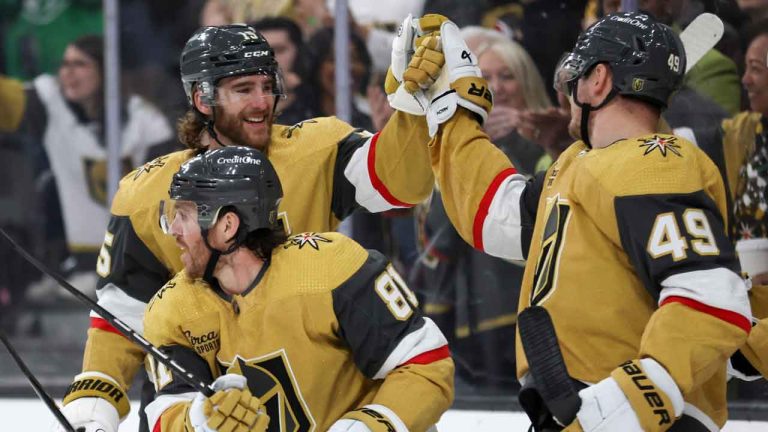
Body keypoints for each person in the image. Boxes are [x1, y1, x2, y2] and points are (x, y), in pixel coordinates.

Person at [57, 21, 441, 432]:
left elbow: (402, 185)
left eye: (267, 85)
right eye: (243, 89)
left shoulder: (315, 150)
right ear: (202, 97)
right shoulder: (146, 195)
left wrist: (413, 111)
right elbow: (120, 317)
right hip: (210, 397)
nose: (262, 102)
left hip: (325, 377)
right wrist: (95, 404)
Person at [415, 12, 751, 430]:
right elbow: (498, 215)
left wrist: (629, 400)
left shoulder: (653, 163)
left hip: (637, 417)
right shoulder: (579, 164)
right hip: (579, 406)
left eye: (575, 75)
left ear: (600, 80)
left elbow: (710, 296)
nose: (568, 92)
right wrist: (452, 114)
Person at [142, 146, 453, 432]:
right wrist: (198, 419)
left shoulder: (330, 267)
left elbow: (425, 365)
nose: (174, 231)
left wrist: (369, 426)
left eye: (182, 215)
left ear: (227, 226)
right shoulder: (174, 310)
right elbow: (164, 415)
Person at [0, 34, 174, 294]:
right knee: (45, 183)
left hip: (136, 262)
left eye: (80, 64)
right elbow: (8, 101)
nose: (68, 73)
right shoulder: (51, 104)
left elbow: (162, 199)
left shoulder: (146, 121)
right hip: (80, 262)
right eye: (65, 64)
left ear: (105, 71)